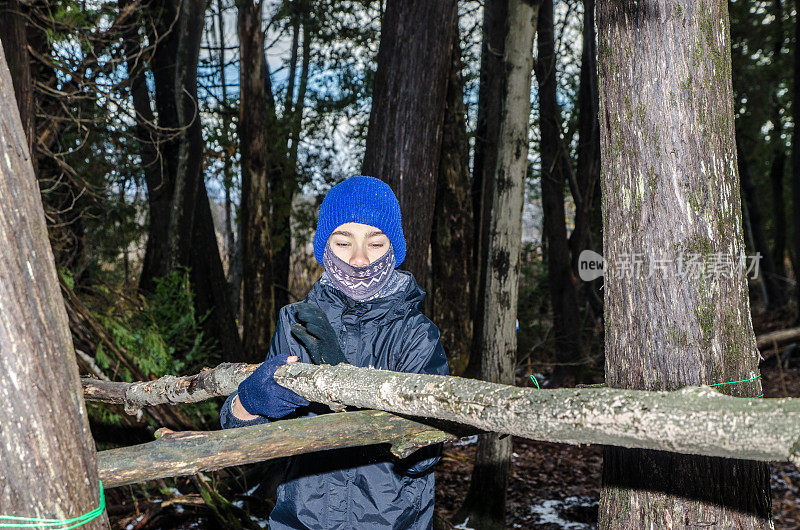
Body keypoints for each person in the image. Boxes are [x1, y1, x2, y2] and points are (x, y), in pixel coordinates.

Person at [219, 175, 450, 529]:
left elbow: (422, 458)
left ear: (395, 249)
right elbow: (244, 446)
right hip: (301, 521)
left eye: (375, 244)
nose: (358, 259)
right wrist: (247, 405)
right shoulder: (295, 322)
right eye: (343, 243)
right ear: (324, 247)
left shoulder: (416, 335)